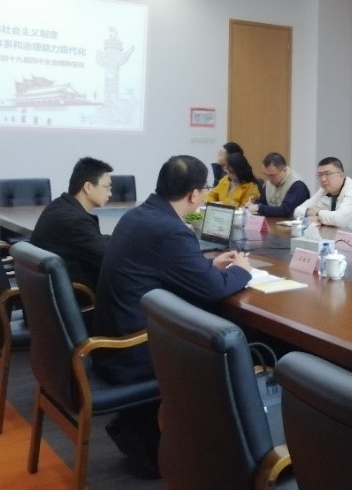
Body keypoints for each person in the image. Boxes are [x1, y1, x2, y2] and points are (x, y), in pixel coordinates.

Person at [93, 155, 252, 474]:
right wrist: (242, 270)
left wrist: (208, 264)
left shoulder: (139, 215)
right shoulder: (170, 230)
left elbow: (164, 265)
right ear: (194, 194)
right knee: (231, 345)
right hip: (133, 351)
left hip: (111, 338)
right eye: (205, 190)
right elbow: (212, 290)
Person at [30, 157, 113, 291]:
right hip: (79, 295)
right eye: (107, 187)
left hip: (49, 292)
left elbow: (95, 242)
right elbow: (108, 258)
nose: (110, 193)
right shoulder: (75, 221)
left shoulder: (59, 205)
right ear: (88, 187)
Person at [294, 157, 352, 232]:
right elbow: (297, 211)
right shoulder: (324, 190)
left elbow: (339, 220)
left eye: (328, 174)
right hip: (337, 237)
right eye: (320, 175)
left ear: (342, 175)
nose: (323, 179)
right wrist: (310, 216)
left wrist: (317, 213)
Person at [248, 152, 310, 218]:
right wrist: (252, 206)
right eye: (266, 175)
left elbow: (286, 210)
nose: (269, 179)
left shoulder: (297, 185)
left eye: (272, 175)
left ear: (284, 170)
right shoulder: (269, 183)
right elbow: (261, 203)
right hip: (273, 222)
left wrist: (259, 208)